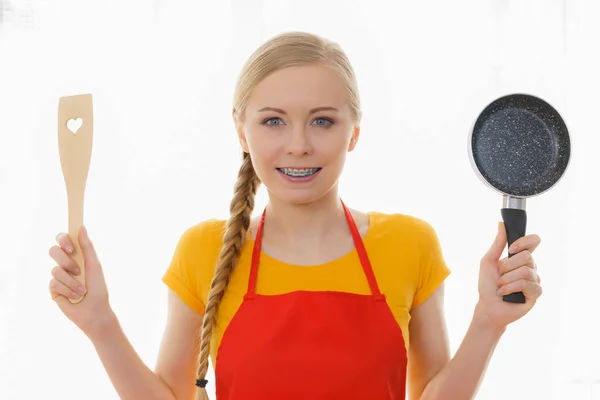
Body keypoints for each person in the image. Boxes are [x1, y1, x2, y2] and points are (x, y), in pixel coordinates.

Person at [48, 31, 543, 400]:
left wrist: (488, 322)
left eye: (323, 121)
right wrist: (100, 322)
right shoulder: (205, 249)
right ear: (242, 133)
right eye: (273, 121)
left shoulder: (410, 243)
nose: (299, 145)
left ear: (353, 133)